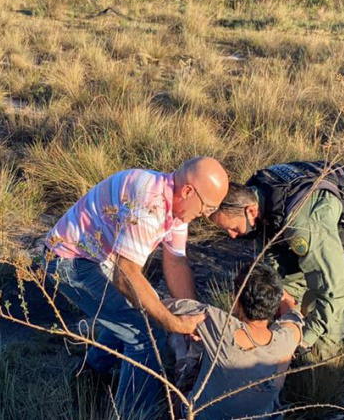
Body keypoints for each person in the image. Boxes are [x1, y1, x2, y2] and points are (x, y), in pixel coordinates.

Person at [44, 157, 229, 416]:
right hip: (68, 261)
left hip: (101, 259)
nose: (207, 216)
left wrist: (189, 315)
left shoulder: (177, 206)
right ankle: (133, 413)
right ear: (188, 191)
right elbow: (125, 274)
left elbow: (176, 262)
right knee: (148, 334)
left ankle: (91, 372)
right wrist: (173, 323)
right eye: (207, 208)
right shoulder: (150, 203)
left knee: (142, 316)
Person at [209, 161, 344, 360]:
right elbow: (271, 254)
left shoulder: (303, 224)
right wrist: (280, 292)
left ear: (251, 211)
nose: (232, 236)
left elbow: (334, 291)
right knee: (279, 290)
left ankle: (321, 362)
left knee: (322, 299)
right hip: (331, 231)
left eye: (234, 228)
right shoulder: (260, 192)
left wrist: (303, 341)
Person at [165, 263, 304, 420]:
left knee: (181, 385)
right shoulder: (289, 338)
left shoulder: (220, 325)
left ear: (236, 299)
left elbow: (165, 306)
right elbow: (293, 312)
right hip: (261, 416)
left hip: (202, 415)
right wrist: (282, 297)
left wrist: (193, 326)